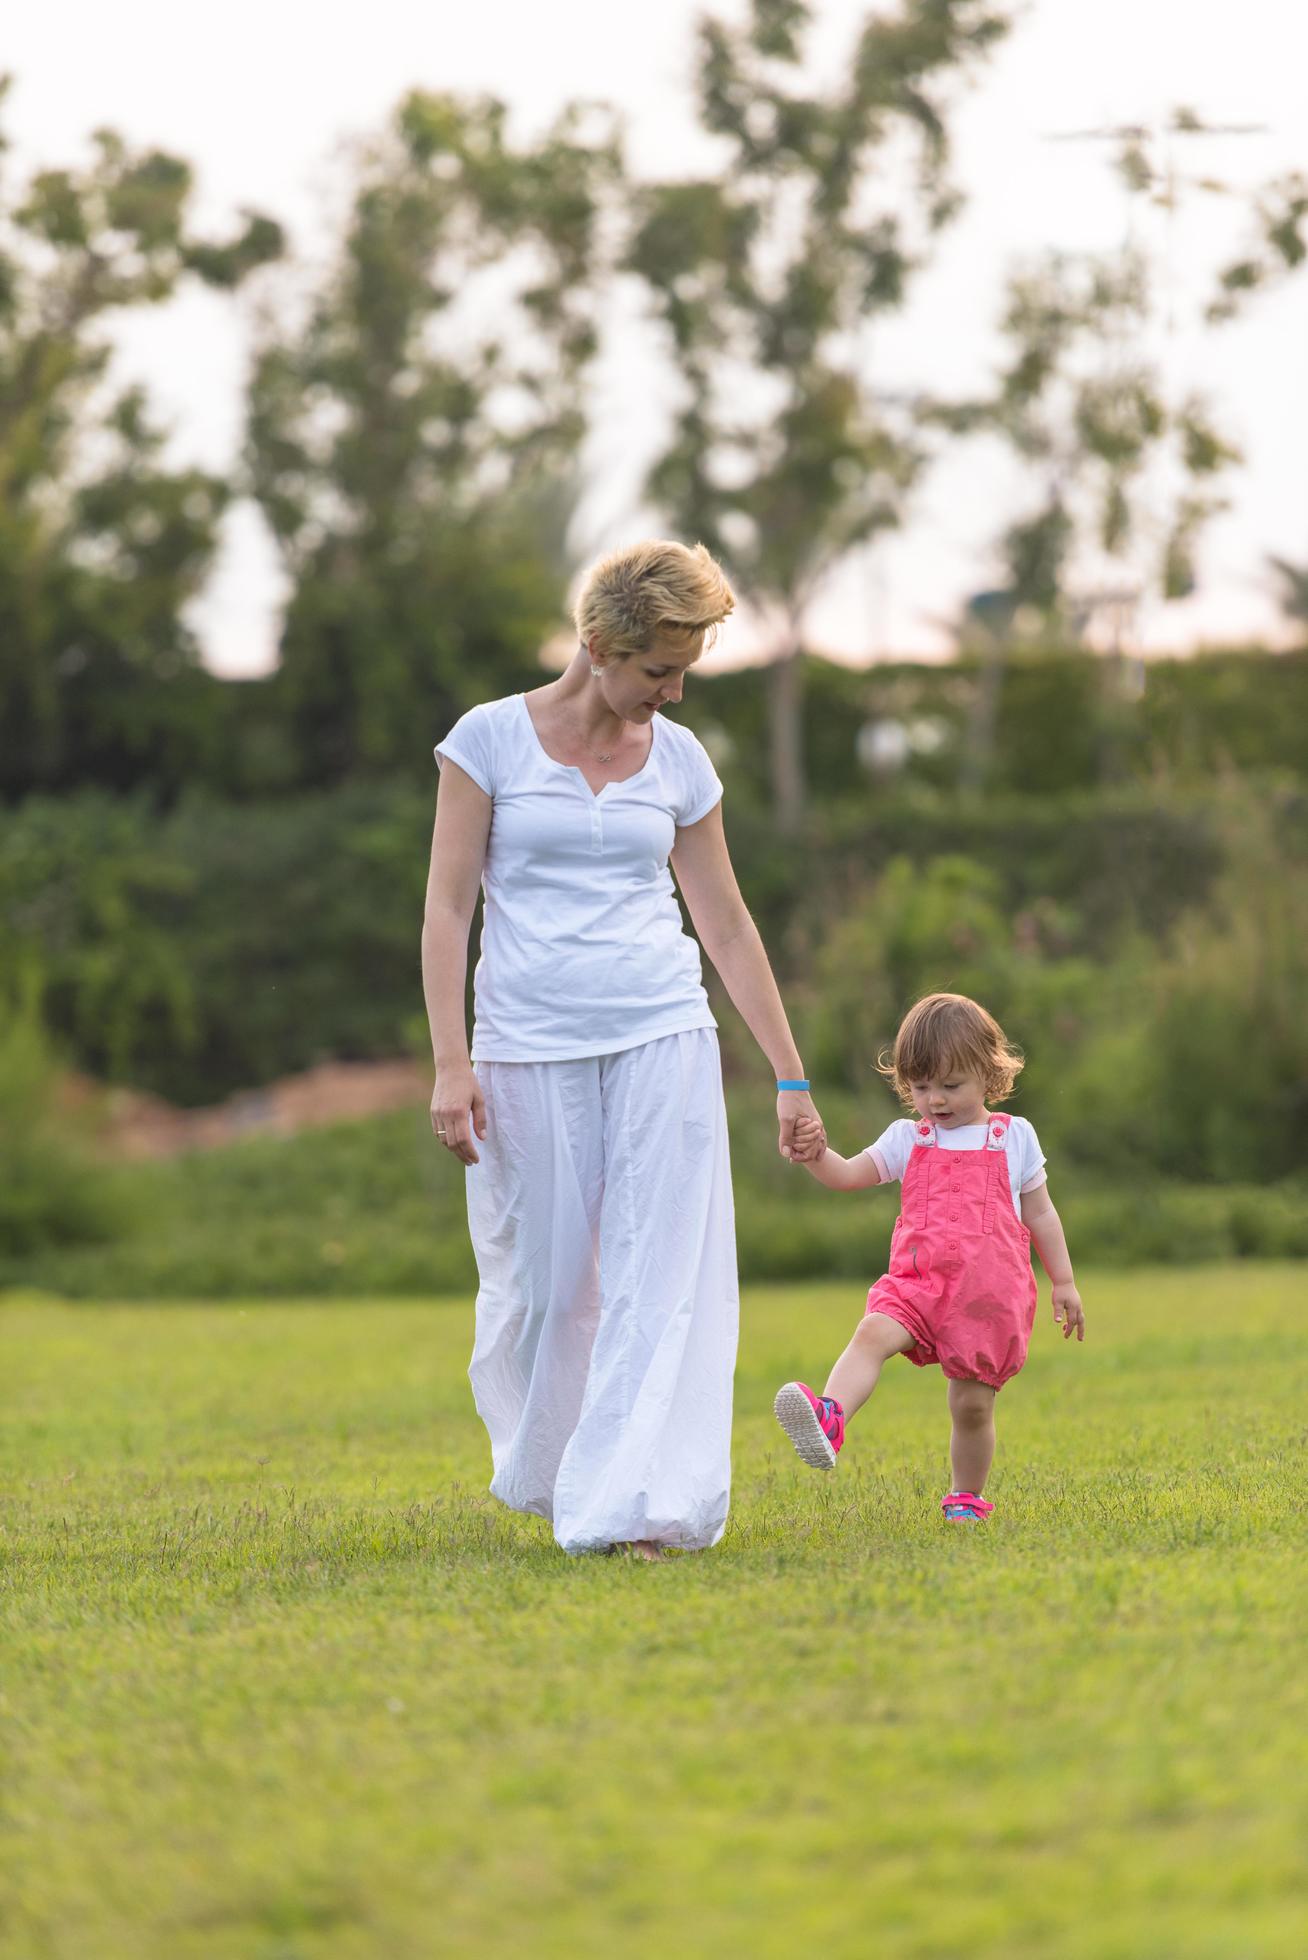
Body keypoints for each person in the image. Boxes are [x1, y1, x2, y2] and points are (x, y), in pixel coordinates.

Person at [423, 539, 823, 1561]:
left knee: (660, 1279)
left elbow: (726, 925)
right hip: (525, 1045)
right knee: (550, 1290)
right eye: (659, 670)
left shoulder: (682, 763)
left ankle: (645, 1508)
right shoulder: (489, 742)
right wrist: (449, 1062)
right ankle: (564, 1474)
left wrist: (787, 1072)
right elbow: (446, 907)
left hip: (661, 1034)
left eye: (684, 669)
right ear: (599, 646)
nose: (675, 692)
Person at [773, 991, 1084, 1522]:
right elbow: (848, 1175)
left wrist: (1064, 1281)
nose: (935, 1100)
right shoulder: (908, 1138)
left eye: (950, 1085)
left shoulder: (1014, 1138)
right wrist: (816, 1155)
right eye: (920, 1087)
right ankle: (830, 1415)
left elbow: (1041, 1214)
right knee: (872, 1331)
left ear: (989, 1074)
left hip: (986, 1295)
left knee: (970, 1406)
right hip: (918, 1284)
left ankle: (966, 1497)